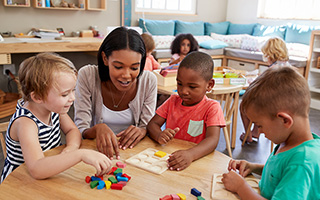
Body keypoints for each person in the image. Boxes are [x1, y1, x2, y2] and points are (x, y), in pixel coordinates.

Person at [0, 53, 112, 183]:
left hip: (48, 174)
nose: (73, 98)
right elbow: (37, 168)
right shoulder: (26, 123)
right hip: (19, 183)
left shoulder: (53, 108)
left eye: (73, 90)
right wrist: (80, 154)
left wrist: (71, 148)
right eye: (65, 94)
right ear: (37, 97)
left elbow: (72, 131)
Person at [222, 66, 320, 199]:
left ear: (285, 120)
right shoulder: (290, 142)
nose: (260, 132)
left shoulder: (302, 163)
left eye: (259, 125)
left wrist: (240, 187)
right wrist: (254, 167)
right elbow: (280, 173)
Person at [74, 27, 157, 160]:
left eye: (135, 68)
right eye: (118, 67)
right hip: (94, 154)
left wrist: (143, 130)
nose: (126, 75)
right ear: (105, 59)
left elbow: (146, 125)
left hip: (133, 155)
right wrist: (96, 129)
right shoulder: (87, 75)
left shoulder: (148, 81)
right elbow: (80, 129)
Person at [147, 51, 226, 171]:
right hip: (170, 158)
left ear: (209, 85)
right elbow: (153, 124)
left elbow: (212, 140)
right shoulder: (172, 101)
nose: (183, 91)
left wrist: (191, 154)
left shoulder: (212, 107)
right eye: (179, 84)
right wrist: (159, 135)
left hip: (196, 160)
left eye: (192, 87)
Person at [240, 37, 291, 143]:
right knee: (257, 102)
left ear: (270, 54)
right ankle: (255, 132)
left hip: (271, 107)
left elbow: (256, 86)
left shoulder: (272, 71)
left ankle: (248, 135)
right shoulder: (288, 67)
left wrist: (251, 80)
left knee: (244, 106)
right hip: (285, 106)